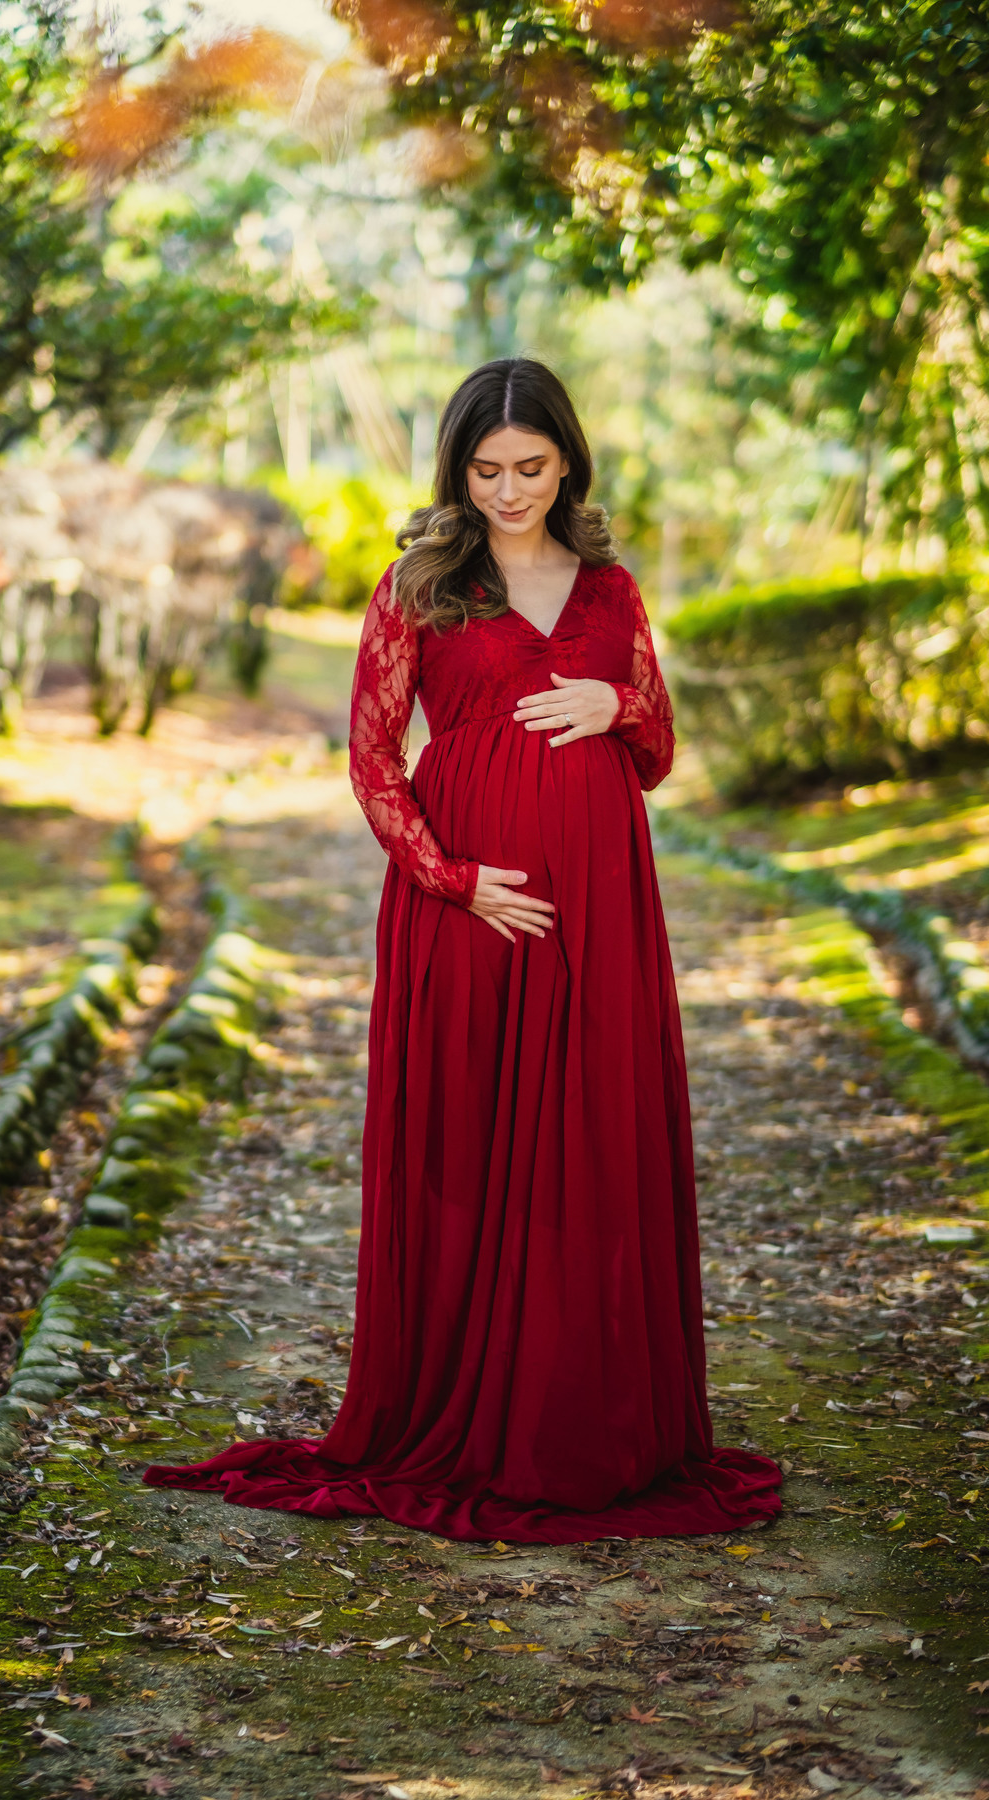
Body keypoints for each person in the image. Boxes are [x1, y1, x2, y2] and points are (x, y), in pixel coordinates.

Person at [144, 358, 782, 1543]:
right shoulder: (421, 588)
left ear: (568, 462)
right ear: (457, 471)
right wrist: (452, 880)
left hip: (602, 903)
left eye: (531, 468)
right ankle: (472, 1414)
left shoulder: (611, 587)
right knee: (477, 1143)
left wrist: (617, 710)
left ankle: (586, 1418)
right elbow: (373, 758)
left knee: (592, 1136)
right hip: (469, 906)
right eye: (486, 470)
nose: (508, 490)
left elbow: (659, 751)